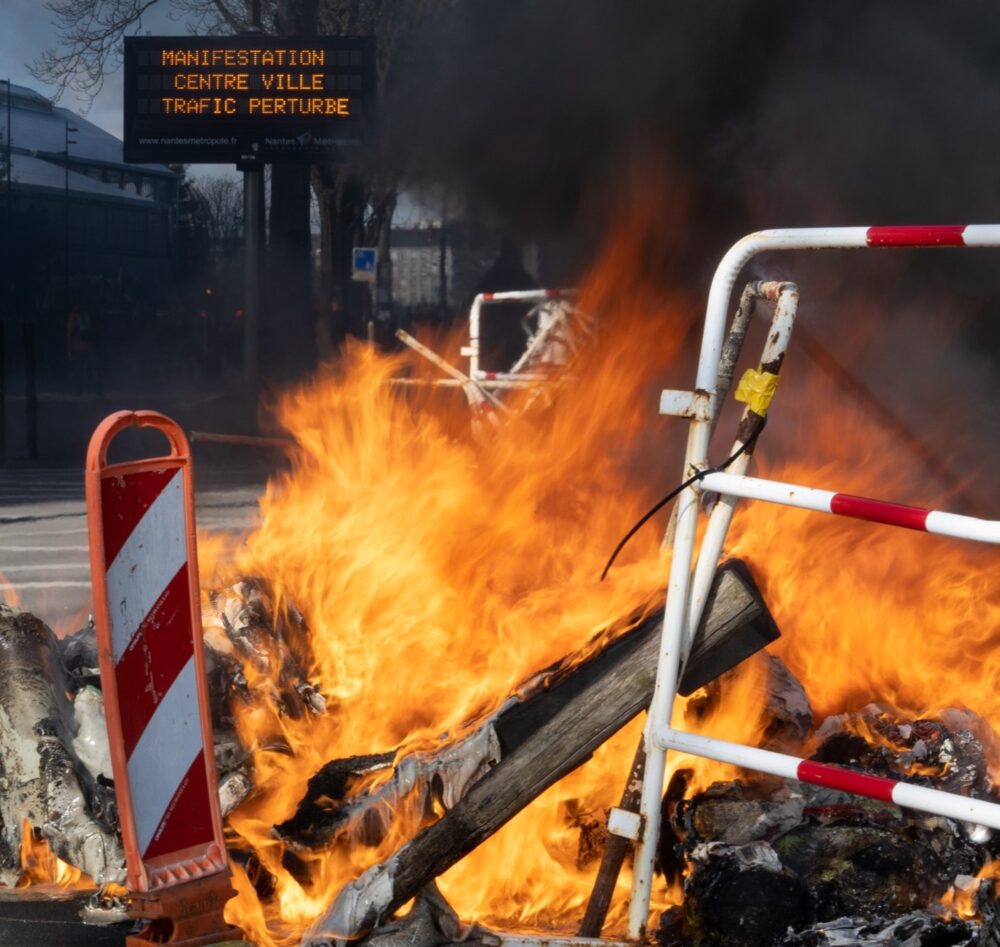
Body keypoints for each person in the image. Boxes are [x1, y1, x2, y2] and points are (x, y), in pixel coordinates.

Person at [470, 239, 540, 373]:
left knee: (497, 371)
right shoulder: (523, 278)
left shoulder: (491, 277)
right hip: (513, 333)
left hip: (499, 335)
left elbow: (474, 298)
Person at [66, 300, 102, 395]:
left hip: (79, 347)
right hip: (88, 346)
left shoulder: (73, 316)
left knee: (80, 370)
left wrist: (69, 349)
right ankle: (97, 390)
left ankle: (81, 390)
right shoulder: (87, 315)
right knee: (91, 369)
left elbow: (70, 333)